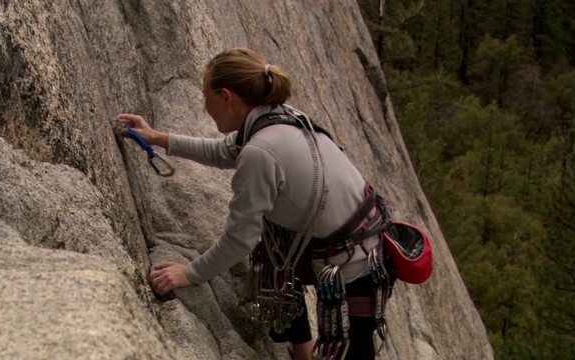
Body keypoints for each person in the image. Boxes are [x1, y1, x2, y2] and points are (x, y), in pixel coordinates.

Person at [114, 48, 389, 360]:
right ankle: (302, 357)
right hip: (356, 241)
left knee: (353, 352)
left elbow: (238, 239)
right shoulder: (279, 118)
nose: (205, 106)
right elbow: (223, 151)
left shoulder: (261, 150)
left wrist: (189, 273)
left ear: (226, 97)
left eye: (206, 95)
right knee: (275, 251)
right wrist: (156, 137)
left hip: (356, 264)